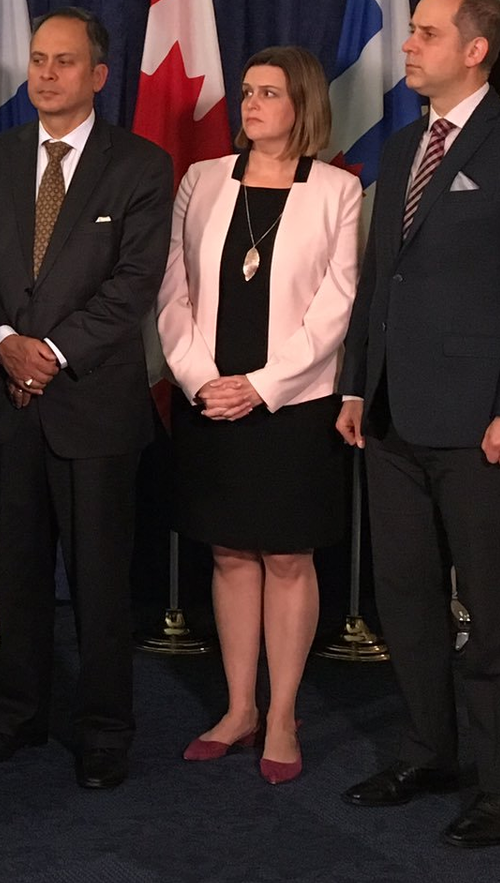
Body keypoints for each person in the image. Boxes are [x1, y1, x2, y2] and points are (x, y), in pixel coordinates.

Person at [336, 0, 500, 846]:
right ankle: (427, 752)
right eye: (409, 31)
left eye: (425, 33)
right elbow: (381, 282)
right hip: (393, 421)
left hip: (486, 428)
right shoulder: (404, 145)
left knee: (489, 613)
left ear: (474, 50)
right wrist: (357, 388)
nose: (406, 45)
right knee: (404, 600)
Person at [0, 7, 172, 790]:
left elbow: (133, 284)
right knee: (17, 574)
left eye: (64, 62)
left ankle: (104, 729)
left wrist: (51, 352)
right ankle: (17, 715)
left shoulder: (140, 166)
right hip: (6, 398)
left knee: (101, 579)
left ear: (98, 75)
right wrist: (5, 343)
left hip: (93, 405)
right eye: (38, 60)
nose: (45, 74)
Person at [155, 46, 359, 784]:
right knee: (229, 553)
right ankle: (239, 707)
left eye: (268, 93)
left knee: (285, 555)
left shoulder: (337, 191)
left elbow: (336, 308)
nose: (250, 105)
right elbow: (171, 291)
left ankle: (282, 715)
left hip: (291, 405)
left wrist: (262, 385)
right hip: (209, 398)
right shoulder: (202, 181)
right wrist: (200, 377)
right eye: (246, 92)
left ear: (300, 105)